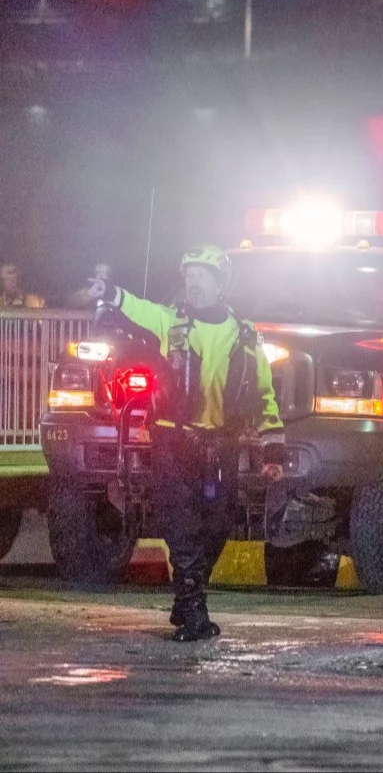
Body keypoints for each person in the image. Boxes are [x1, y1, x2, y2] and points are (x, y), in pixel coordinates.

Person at [88, 244, 283, 641]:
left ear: (219, 284)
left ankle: (187, 598)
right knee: (181, 526)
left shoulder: (244, 336)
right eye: (188, 276)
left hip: (221, 446)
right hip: (173, 442)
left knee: (217, 526)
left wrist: (271, 448)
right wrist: (111, 294)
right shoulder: (171, 322)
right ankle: (195, 614)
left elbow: (264, 394)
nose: (192, 283)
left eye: (201, 276)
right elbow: (138, 307)